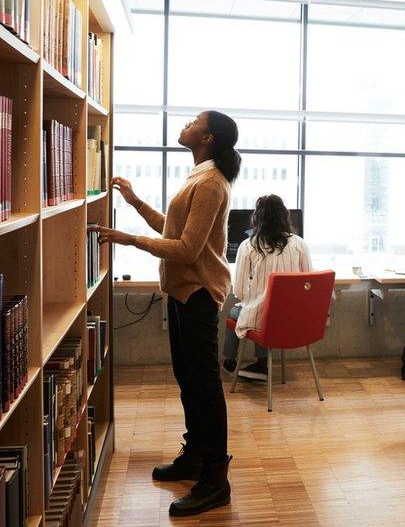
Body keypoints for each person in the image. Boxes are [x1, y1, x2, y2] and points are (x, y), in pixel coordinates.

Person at [91, 110, 240, 517]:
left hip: (198, 293)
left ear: (206, 137)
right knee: (189, 380)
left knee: (204, 386)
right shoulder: (200, 177)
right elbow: (175, 234)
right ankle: (195, 457)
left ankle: (215, 481)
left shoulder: (209, 182)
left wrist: (128, 240)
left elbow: (188, 251)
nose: (186, 124)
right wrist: (136, 203)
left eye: (193, 121)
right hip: (182, 292)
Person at [221, 194, 312, 381]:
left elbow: (238, 291)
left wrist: (254, 292)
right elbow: (308, 282)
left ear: (257, 218)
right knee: (266, 309)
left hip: (264, 320)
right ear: (284, 216)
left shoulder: (248, 246)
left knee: (240, 310)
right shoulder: (300, 244)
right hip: (293, 318)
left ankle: (229, 361)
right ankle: (261, 364)